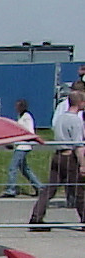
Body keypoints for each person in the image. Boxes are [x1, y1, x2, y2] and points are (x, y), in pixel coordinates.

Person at [30, 91, 85, 230]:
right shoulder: (76, 121)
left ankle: (36, 217)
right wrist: (83, 165)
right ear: (80, 103)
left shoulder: (60, 118)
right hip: (69, 157)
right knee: (79, 190)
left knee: (50, 189)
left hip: (57, 155)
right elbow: (78, 145)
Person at [2, 99, 43, 197]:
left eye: (17, 106)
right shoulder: (21, 117)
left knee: (13, 167)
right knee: (24, 169)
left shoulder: (26, 117)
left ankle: (10, 190)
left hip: (23, 146)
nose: (15, 108)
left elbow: (29, 131)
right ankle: (40, 187)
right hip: (20, 145)